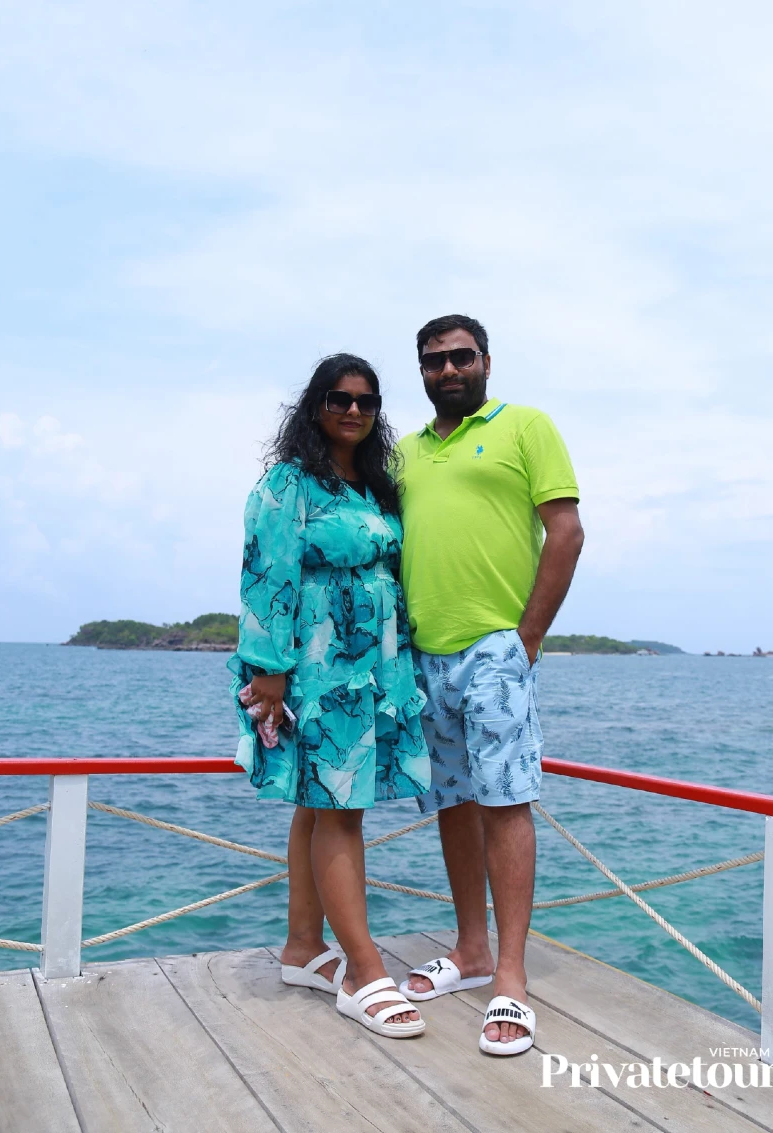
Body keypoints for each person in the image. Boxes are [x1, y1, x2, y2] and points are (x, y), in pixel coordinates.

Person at [396, 315, 584, 1056]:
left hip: (495, 649)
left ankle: (511, 974)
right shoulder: (406, 451)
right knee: (453, 800)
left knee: (505, 802)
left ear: (486, 361)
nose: (448, 369)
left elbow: (566, 531)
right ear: (421, 371)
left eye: (461, 356)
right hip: (425, 654)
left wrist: (526, 639)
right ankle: (471, 949)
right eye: (434, 361)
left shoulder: (526, 426)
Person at [228, 353, 431, 1038]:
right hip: (318, 665)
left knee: (320, 806)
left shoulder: (373, 486)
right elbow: (266, 574)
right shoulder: (290, 482)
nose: (353, 410)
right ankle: (363, 971)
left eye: (367, 401)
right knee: (341, 808)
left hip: (372, 665)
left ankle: (302, 947)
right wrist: (269, 669)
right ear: (315, 405)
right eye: (339, 398)